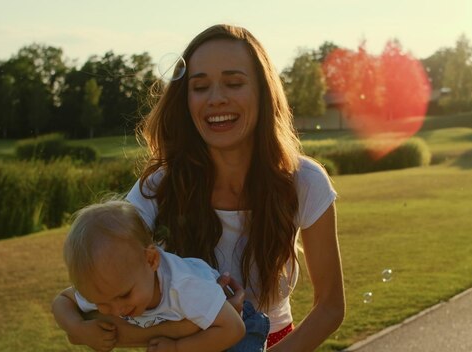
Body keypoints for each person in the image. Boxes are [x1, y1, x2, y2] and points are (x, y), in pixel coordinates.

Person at [56, 23, 345, 351]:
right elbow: (102, 294)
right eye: (200, 87)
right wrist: (182, 334)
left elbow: (331, 307)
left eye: (234, 83)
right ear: (185, 100)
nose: (217, 99)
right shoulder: (160, 186)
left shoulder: (304, 182)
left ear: (263, 92)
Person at [53, 199, 250, 352]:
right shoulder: (111, 286)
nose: (116, 310)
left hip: (236, 333)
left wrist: (177, 348)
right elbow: (62, 300)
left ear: (151, 260)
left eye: (124, 295)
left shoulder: (185, 287)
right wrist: (78, 328)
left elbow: (233, 329)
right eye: (101, 303)